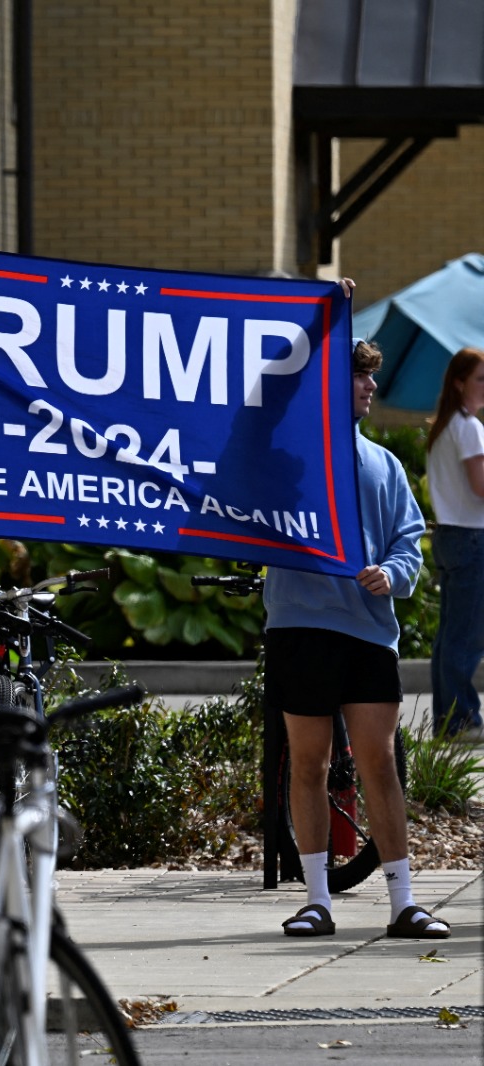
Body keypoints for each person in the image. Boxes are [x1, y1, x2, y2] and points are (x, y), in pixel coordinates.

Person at [269, 340, 448, 940]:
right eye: (358, 377)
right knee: (309, 764)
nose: (371, 388)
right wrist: (317, 324)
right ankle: (317, 901)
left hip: (369, 631)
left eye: (371, 378)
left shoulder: (385, 464)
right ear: (326, 382)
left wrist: (392, 574)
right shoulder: (284, 452)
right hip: (299, 626)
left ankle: (404, 903)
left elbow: (407, 539)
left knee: (379, 763)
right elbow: (265, 397)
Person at [423, 348, 484, 741]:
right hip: (471, 537)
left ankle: (449, 718)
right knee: (466, 634)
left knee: (450, 633)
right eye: (480, 378)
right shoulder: (468, 427)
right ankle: (461, 720)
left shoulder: (444, 427)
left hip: (449, 534)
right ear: (460, 382)